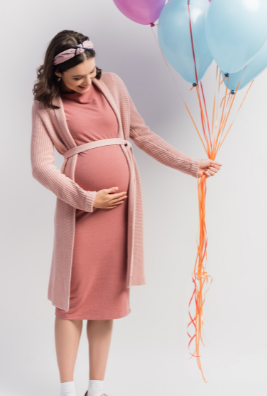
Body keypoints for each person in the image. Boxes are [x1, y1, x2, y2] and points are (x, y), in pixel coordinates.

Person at [31, 30, 222, 396]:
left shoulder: (112, 84)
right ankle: (68, 390)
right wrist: (85, 199)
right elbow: (41, 166)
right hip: (80, 213)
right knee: (71, 302)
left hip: (118, 214)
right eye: (77, 78)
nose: (88, 82)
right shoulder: (46, 106)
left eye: (91, 72)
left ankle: (97, 387)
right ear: (57, 74)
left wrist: (190, 164)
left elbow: (142, 134)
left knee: (105, 299)